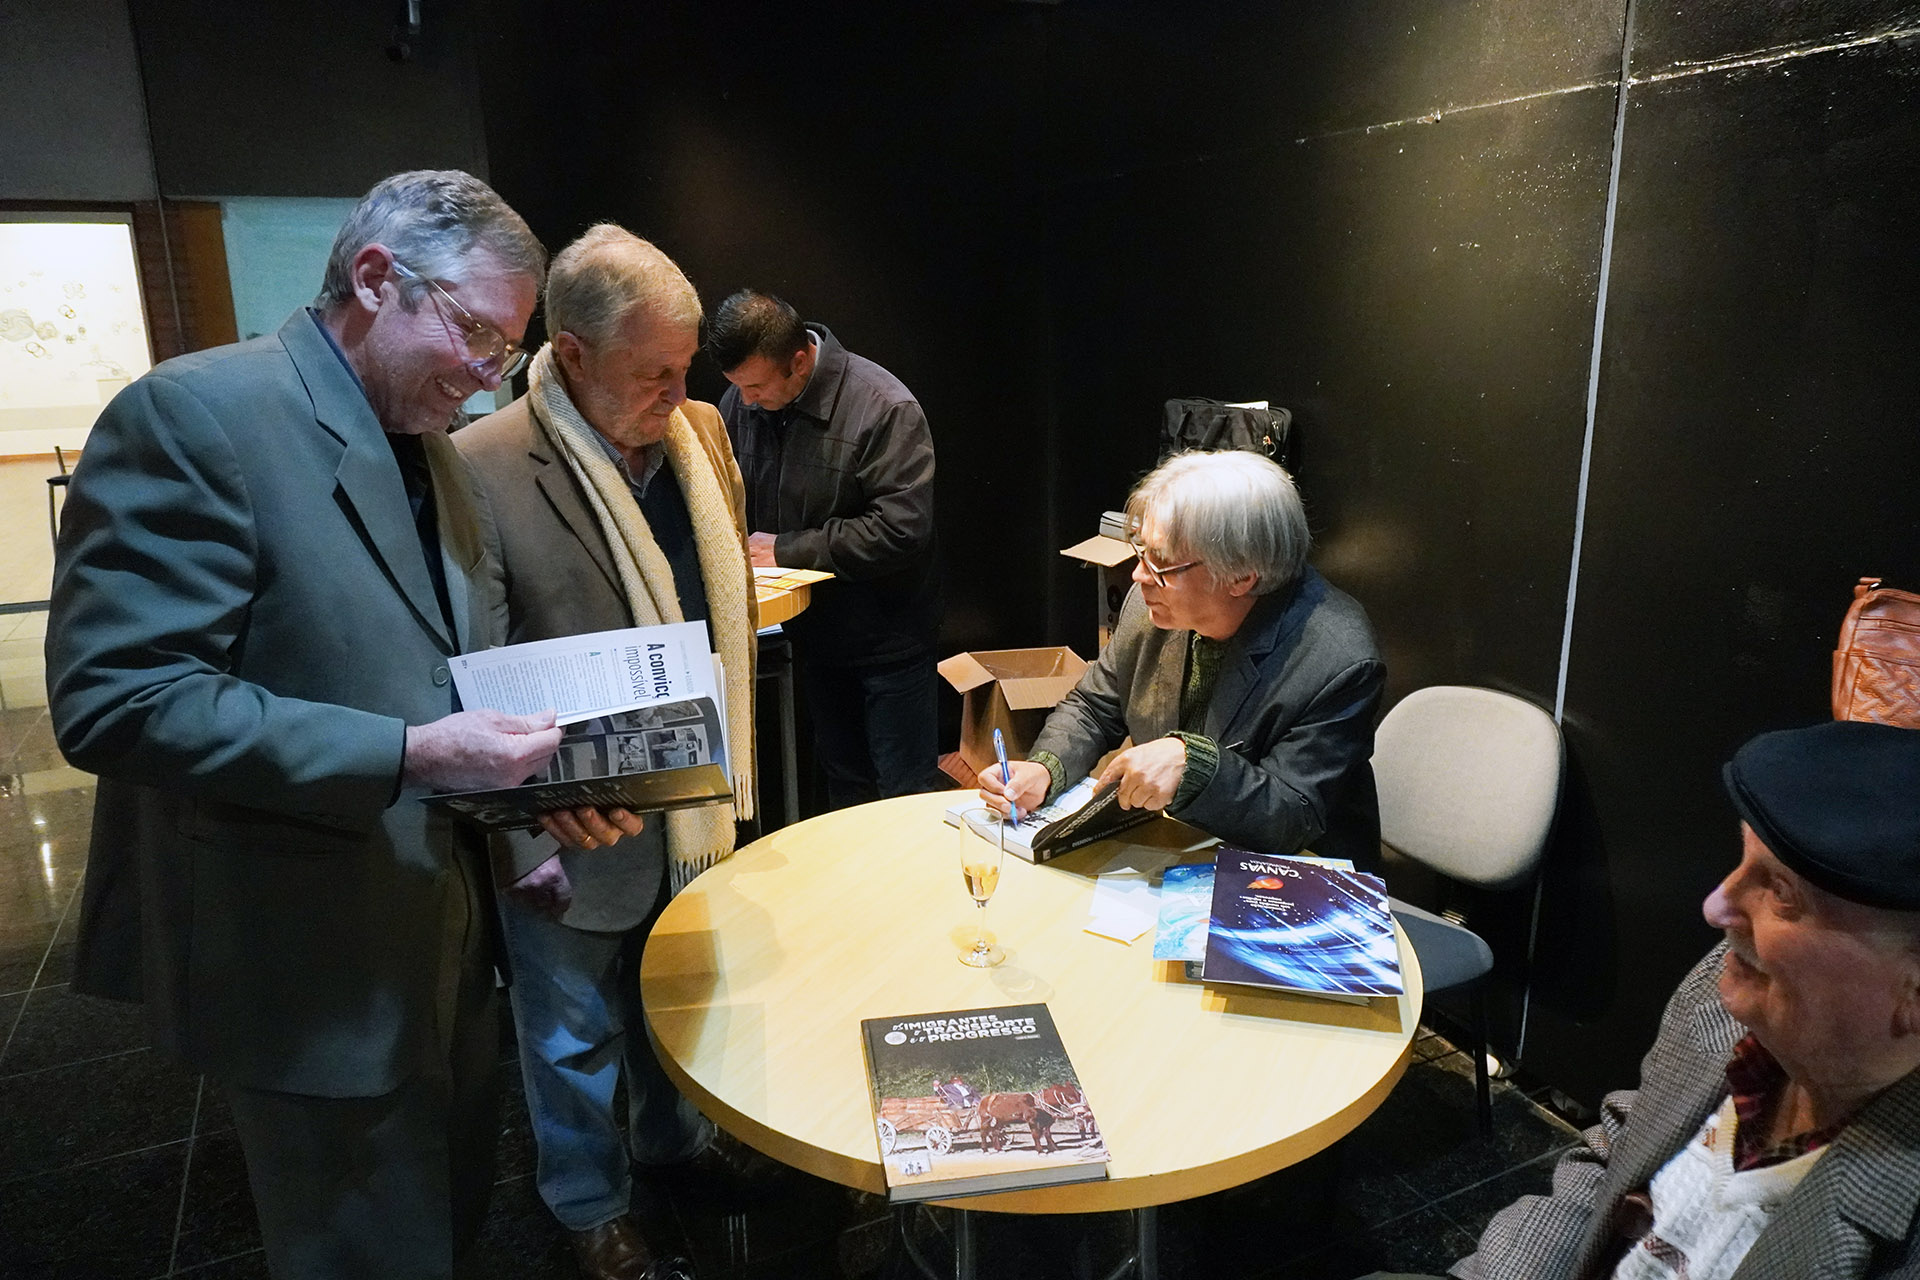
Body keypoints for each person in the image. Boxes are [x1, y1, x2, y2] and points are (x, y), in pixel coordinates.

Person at [46, 171, 644, 1280]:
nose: (485, 375)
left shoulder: (433, 450)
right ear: (375, 279)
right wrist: (408, 756)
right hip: (305, 960)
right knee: (360, 1246)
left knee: (442, 1223)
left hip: (443, 938)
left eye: (506, 350)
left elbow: (443, 670)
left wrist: (527, 803)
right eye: (474, 332)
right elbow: (118, 697)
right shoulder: (196, 415)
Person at [457, 226, 756, 1280]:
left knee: (678, 990)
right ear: (572, 353)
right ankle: (588, 1203)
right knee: (570, 1026)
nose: (677, 393)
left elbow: (725, 605)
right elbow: (472, 657)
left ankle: (673, 1144)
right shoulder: (481, 464)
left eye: (686, 370)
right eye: (653, 373)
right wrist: (530, 814)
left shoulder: (704, 434)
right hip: (567, 811)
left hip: (688, 792)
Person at [1372, 719, 1920, 1280]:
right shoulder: (1728, 995)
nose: (1716, 907)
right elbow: (1617, 1151)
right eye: (1741, 862)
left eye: (1779, 892)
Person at [978, 450, 1385, 865]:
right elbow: (1094, 706)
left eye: (1163, 562)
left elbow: (1292, 815)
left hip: (1294, 875)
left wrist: (1195, 765)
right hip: (1178, 845)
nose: (1138, 575)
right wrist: (1047, 769)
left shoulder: (1339, 658)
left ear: (1241, 577)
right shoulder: (1149, 602)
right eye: (1142, 551)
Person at [709, 289, 940, 809]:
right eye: (736, 388)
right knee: (845, 787)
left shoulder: (884, 407)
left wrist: (785, 550)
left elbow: (902, 528)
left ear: (798, 361)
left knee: (904, 796)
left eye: (756, 387)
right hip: (814, 637)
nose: (745, 402)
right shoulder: (740, 405)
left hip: (889, 640)